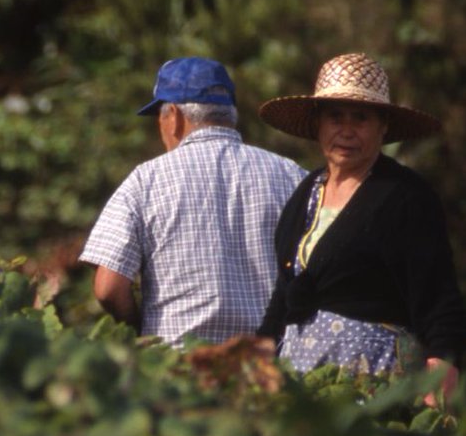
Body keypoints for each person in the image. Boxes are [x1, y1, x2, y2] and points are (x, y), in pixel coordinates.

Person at [256, 52, 466, 406]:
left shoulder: (405, 195)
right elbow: (286, 289)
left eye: (360, 118)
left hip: (376, 382)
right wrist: (261, 350)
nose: (346, 130)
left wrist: (442, 365)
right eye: (335, 117)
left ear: (383, 127)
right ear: (318, 124)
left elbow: (438, 294)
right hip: (301, 379)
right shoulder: (307, 192)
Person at [80, 57, 306, 346]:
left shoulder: (145, 180)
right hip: (268, 362)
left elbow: (108, 288)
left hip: (179, 363)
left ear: (173, 116)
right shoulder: (291, 174)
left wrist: (139, 330)